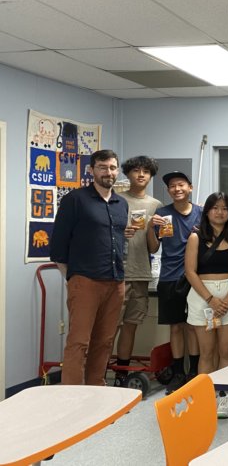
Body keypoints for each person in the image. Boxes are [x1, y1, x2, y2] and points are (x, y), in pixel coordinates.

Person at [50, 149, 132, 385]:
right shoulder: (75, 200)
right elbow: (57, 248)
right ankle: (73, 397)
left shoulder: (121, 204)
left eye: (113, 167)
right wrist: (73, 279)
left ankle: (96, 390)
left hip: (116, 282)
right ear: (91, 170)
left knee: (105, 341)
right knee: (79, 342)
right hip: (85, 281)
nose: (109, 172)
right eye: (103, 167)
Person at [184, 192, 228, 418]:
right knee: (207, 352)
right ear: (207, 211)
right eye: (215, 208)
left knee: (227, 350)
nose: (220, 212)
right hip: (203, 296)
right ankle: (204, 397)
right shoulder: (196, 237)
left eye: (224, 208)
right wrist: (212, 300)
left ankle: (224, 397)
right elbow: (190, 271)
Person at [147, 171, 202, 395]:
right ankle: (178, 372)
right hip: (170, 277)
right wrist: (151, 227)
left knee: (194, 327)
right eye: (172, 186)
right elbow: (153, 248)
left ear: (189, 187)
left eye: (181, 185)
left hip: (196, 278)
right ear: (168, 191)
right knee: (176, 327)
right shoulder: (162, 214)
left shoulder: (202, 213)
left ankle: (195, 372)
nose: (177, 189)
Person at [114, 155, 162, 386]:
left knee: (131, 326)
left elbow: (153, 247)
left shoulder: (155, 206)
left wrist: (153, 228)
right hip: (116, 274)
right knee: (109, 327)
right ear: (128, 174)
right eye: (136, 170)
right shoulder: (115, 200)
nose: (141, 175)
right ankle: (99, 374)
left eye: (146, 171)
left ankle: (122, 374)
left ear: (151, 176)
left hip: (141, 273)